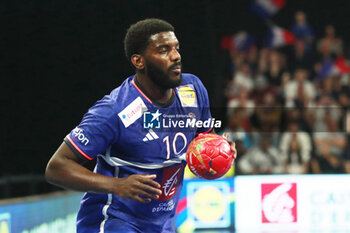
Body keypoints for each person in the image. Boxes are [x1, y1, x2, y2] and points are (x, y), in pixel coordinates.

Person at [45, 18, 235, 233]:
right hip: (114, 222)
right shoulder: (115, 111)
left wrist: (219, 149)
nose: (176, 56)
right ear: (139, 61)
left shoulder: (192, 89)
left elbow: (203, 138)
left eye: (176, 48)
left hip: (161, 224)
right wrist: (117, 185)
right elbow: (57, 167)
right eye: (163, 50)